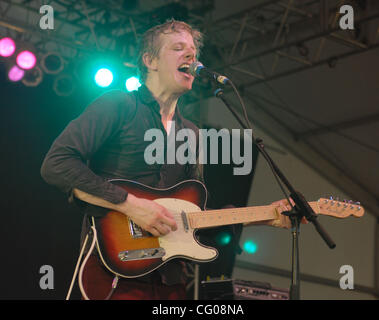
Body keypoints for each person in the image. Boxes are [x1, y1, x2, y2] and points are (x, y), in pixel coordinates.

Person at [41, 19, 293, 300]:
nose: (190, 56)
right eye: (177, 48)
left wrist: (264, 217)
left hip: (170, 281)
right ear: (150, 60)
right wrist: (133, 206)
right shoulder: (118, 106)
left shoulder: (192, 134)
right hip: (113, 272)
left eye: (193, 50)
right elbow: (57, 163)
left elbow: (193, 215)